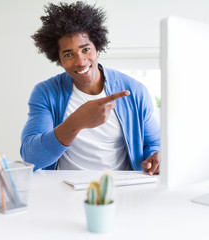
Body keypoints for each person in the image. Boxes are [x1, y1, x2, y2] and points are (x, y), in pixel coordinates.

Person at [20, 1, 160, 175]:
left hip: (121, 189)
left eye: (85, 49)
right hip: (64, 189)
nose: (80, 61)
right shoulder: (46, 93)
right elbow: (30, 157)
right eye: (68, 54)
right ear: (58, 60)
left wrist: (155, 157)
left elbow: (154, 143)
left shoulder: (134, 90)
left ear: (97, 48)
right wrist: (76, 122)